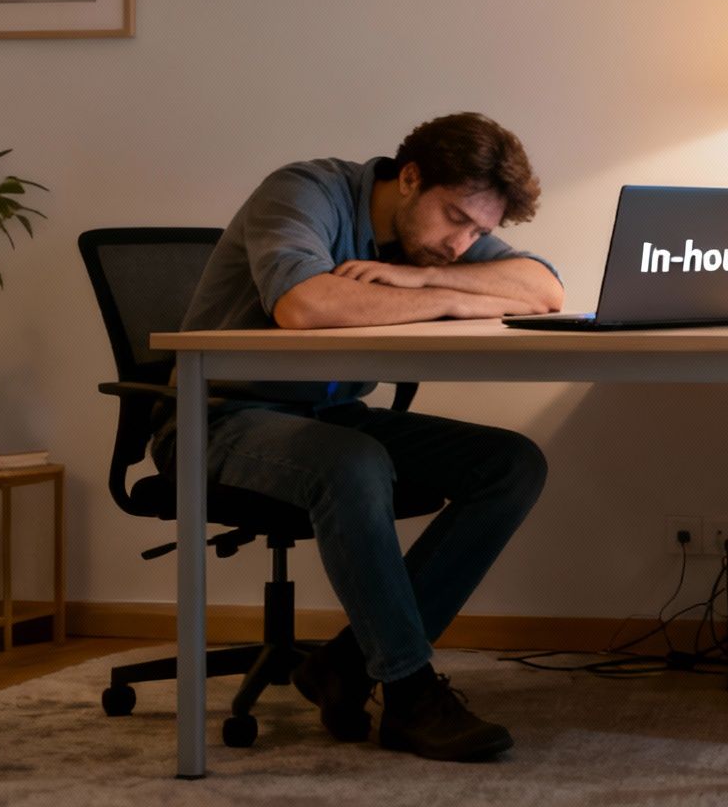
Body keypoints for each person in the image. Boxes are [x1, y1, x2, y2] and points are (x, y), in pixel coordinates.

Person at [164, 112, 564, 760]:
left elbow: (543, 289)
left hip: (331, 415)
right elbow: (306, 306)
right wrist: (453, 298)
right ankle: (407, 691)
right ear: (409, 178)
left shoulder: (433, 247)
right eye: (458, 219)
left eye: (480, 232)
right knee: (353, 462)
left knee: (512, 463)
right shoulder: (304, 192)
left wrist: (427, 277)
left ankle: (343, 665)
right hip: (218, 417)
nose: (463, 244)